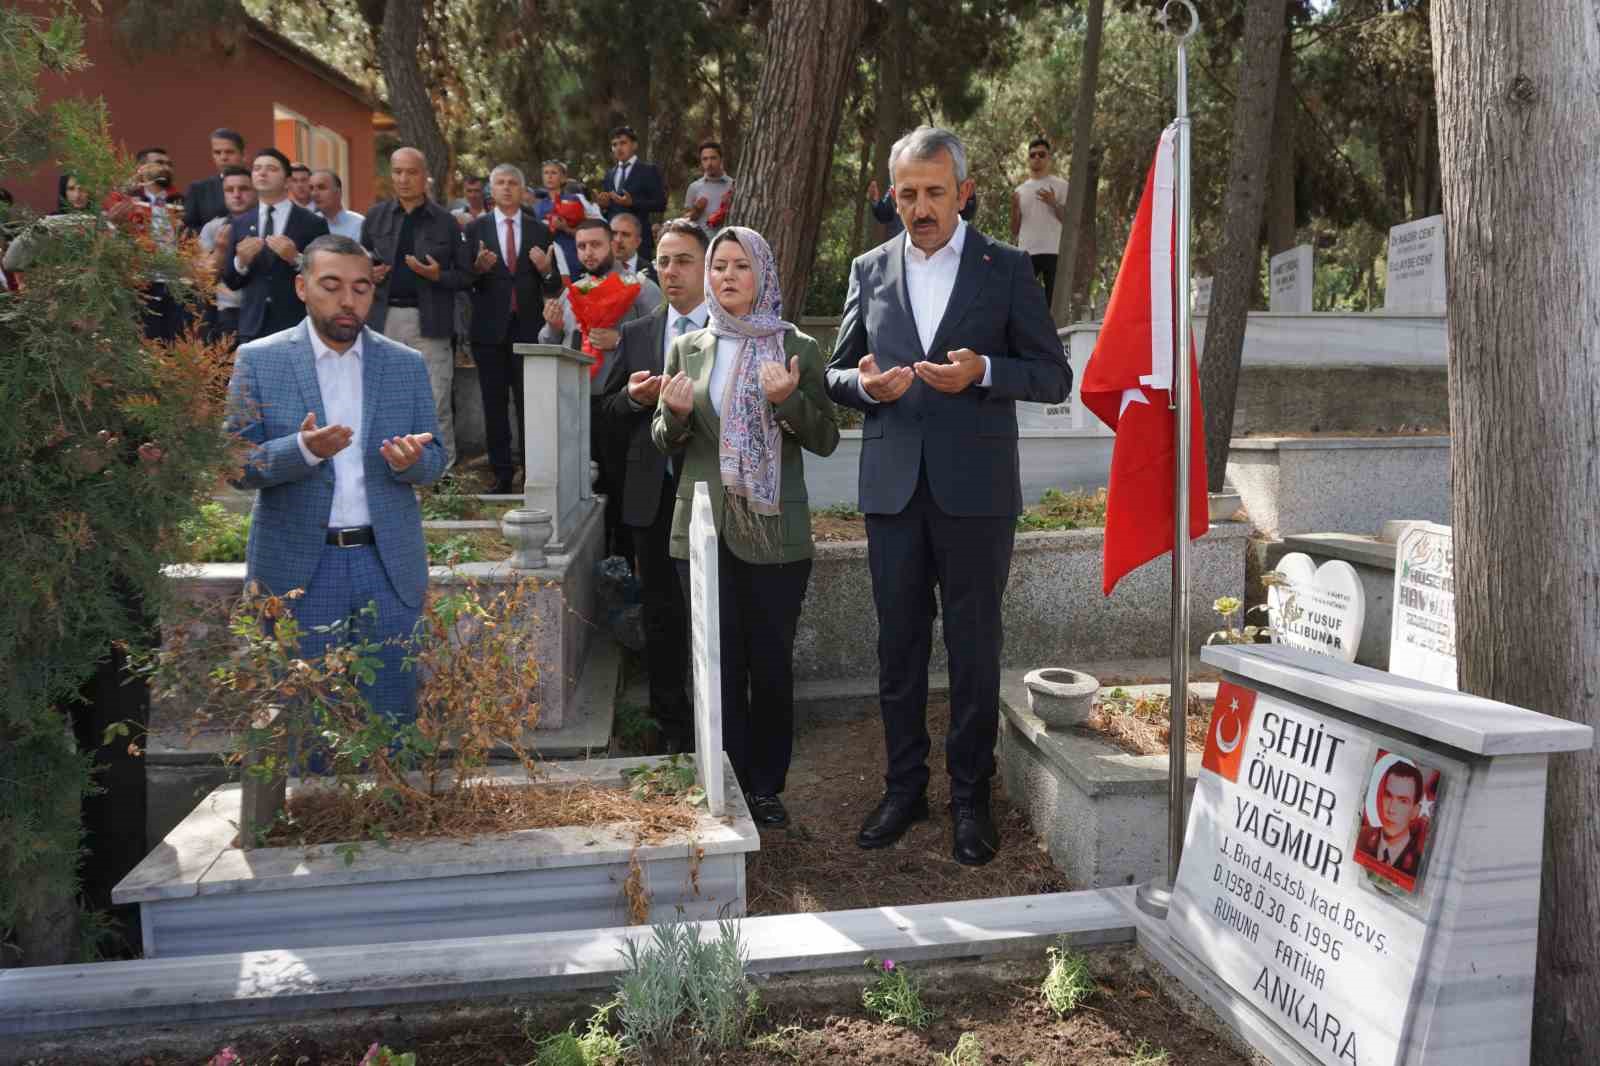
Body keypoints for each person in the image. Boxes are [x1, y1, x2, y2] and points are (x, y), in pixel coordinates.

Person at [826, 127, 1071, 866]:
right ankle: (905, 790)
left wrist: (985, 371)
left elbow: (1053, 374)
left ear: (964, 192)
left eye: (935, 192)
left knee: (972, 648)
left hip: (977, 493)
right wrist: (865, 386)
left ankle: (971, 797)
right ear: (891, 195)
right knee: (898, 647)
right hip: (893, 491)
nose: (921, 207)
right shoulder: (869, 269)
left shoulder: (1005, 269)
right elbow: (836, 373)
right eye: (908, 194)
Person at [651, 226, 839, 826]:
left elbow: (827, 437)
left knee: (770, 663)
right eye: (719, 266)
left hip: (775, 533)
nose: (726, 276)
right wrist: (675, 416)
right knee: (715, 662)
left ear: (763, 275)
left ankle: (765, 785)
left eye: (740, 266)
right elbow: (664, 438)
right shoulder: (688, 347)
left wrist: (787, 401)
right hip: (702, 532)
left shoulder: (797, 347)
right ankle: (723, 777)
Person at [224, 233, 447, 722]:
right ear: (302, 287)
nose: (348, 300)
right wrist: (301, 450)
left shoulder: (404, 364)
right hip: (301, 567)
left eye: (362, 287)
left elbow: (438, 460)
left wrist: (411, 462)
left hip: (386, 566)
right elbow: (235, 465)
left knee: (392, 719)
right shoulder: (260, 360)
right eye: (332, 285)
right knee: (304, 722)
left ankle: (389, 801)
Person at [599, 220, 708, 753]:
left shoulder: (733, 330)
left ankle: (726, 721)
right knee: (663, 615)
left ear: (708, 266)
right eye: (663, 262)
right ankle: (673, 728)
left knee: (717, 610)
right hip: (654, 496)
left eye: (683, 260)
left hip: (715, 493)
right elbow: (609, 411)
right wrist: (635, 400)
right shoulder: (639, 332)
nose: (671, 272)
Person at [540, 218, 662, 556]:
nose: (588, 252)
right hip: (577, 406)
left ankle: (625, 562)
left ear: (612, 245)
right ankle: (596, 557)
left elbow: (663, 336)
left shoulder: (640, 288)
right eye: (581, 246)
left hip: (624, 403)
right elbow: (549, 343)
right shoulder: (571, 291)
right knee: (583, 488)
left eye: (596, 244)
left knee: (621, 487)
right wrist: (552, 327)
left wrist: (619, 339)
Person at [360, 147, 472, 469]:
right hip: (384, 320)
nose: (404, 179)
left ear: (425, 177)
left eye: (411, 172)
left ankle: (442, 474)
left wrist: (437, 275)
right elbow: (357, 266)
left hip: (431, 320)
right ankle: (392, 469)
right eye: (397, 172)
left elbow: (465, 277)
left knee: (436, 401)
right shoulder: (375, 217)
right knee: (387, 401)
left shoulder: (446, 222)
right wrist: (370, 273)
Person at [466, 163, 563, 494]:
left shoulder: (539, 230)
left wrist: (547, 269)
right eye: (500, 183)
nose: (506, 188)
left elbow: (553, 284)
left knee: (529, 404)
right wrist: (477, 269)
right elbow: (465, 281)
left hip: (528, 329)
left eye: (513, 183)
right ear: (491, 190)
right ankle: (502, 473)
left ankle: (531, 472)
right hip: (488, 330)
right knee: (493, 404)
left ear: (522, 191)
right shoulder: (476, 228)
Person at [223, 147, 330, 345]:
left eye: (271, 168)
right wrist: (241, 262)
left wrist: (296, 259)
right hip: (252, 325)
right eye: (257, 168)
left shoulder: (312, 222)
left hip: (294, 324)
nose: (262, 173)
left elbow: (325, 272)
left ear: (287, 181)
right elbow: (230, 280)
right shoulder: (240, 223)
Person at [106, 147, 188, 341]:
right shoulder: (124, 201)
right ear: (142, 168)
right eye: (159, 163)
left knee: (174, 347)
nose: (166, 168)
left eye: (169, 164)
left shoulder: (184, 202)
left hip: (174, 285)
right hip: (139, 285)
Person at [199, 164, 256, 346]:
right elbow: (205, 280)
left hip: (264, 312)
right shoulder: (213, 228)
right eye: (230, 190)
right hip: (228, 313)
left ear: (256, 191)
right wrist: (221, 250)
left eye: (244, 189)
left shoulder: (270, 224)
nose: (236, 194)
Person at [1011, 137, 1070, 305]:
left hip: (1054, 250)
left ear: (1049, 158)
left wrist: (1053, 203)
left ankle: (1054, 331)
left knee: (1053, 301)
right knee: (1023, 301)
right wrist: (1015, 208)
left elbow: (1068, 221)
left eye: (1042, 154)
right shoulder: (1020, 190)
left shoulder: (1061, 186)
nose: (1037, 158)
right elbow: (1015, 230)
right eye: (1033, 155)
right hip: (1027, 252)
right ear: (1029, 159)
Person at [599, 125, 666, 261]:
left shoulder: (648, 170)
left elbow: (661, 204)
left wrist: (632, 203)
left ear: (634, 145)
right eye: (614, 145)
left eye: (623, 143)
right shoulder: (609, 175)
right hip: (614, 241)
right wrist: (603, 206)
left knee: (640, 280)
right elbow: (607, 210)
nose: (618, 148)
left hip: (639, 240)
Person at [1356, 761, 1427, 877]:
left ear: (1415, 811)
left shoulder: (1419, 864)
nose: (1391, 809)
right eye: (1388, 796)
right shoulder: (1361, 837)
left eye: (1403, 801)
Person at [868, 176, 978, 244]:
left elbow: (966, 214)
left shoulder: (948, 181)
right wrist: (875, 201)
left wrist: (970, 198)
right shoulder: (900, 185)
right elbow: (884, 215)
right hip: (905, 250)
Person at [183, 127, 245, 233]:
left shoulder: (257, 185)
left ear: (243, 154)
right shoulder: (198, 189)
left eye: (229, 152)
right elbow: (188, 229)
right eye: (217, 152)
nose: (223, 157)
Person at [532, 160, 581, 281]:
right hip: (549, 257)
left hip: (571, 254)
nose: (549, 176)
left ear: (563, 178)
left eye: (553, 173)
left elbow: (584, 231)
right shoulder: (537, 206)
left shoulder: (573, 200)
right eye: (546, 173)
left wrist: (565, 228)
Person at [683, 141, 733, 235]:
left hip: (727, 242)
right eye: (705, 159)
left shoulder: (733, 186)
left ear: (721, 159)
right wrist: (696, 210)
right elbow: (686, 221)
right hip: (702, 243)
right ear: (701, 162)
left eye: (713, 158)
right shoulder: (694, 187)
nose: (709, 163)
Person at [310, 169, 364, 240]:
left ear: (338, 192)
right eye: (311, 188)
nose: (315, 194)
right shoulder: (308, 224)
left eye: (321, 188)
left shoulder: (359, 224)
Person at [610, 211, 656, 283]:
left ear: (637, 242)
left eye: (625, 235)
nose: (618, 240)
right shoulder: (595, 267)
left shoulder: (651, 272)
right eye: (613, 233)